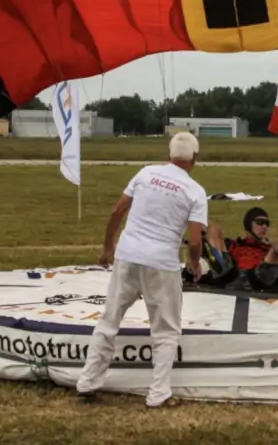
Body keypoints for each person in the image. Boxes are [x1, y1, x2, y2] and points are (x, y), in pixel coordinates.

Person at [75, 132, 208, 409]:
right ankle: (158, 394)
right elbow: (195, 241)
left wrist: (107, 248)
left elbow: (116, 212)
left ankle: (88, 382)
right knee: (166, 330)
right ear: (195, 158)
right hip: (161, 263)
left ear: (169, 154)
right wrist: (194, 264)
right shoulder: (194, 191)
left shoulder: (146, 174)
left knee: (109, 319)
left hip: (127, 255)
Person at [197, 207, 278, 291]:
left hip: (255, 278)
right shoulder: (233, 243)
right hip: (230, 273)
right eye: (260, 222)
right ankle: (215, 257)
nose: (264, 227)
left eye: (267, 224)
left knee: (277, 247)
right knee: (214, 229)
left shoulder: (268, 247)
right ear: (248, 224)